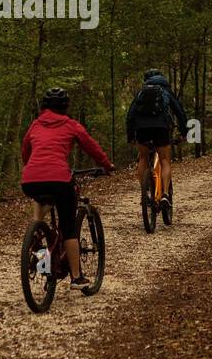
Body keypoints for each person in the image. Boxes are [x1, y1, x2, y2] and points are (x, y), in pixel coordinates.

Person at [21, 87, 114, 289]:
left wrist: (32, 167)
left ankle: (37, 238)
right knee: (68, 226)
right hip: (59, 179)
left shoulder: (35, 125)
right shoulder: (71, 125)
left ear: (44, 107)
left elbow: (25, 149)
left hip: (30, 179)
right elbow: (91, 146)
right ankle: (76, 277)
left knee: (40, 210)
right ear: (65, 107)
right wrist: (107, 165)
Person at [125, 68, 188, 215]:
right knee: (165, 160)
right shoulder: (165, 91)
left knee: (142, 158)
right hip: (161, 127)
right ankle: (165, 194)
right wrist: (184, 132)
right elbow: (179, 112)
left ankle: (144, 193)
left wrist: (131, 136)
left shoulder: (141, 93)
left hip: (142, 128)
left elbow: (130, 115)